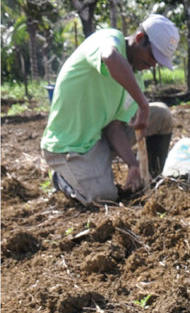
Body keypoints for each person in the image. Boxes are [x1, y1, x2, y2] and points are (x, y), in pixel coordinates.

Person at [41, 13, 179, 206]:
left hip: (100, 137)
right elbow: (110, 56)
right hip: (70, 145)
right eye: (153, 56)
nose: (154, 64)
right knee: (102, 198)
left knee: (162, 115)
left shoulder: (136, 77)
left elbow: (114, 128)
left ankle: (148, 182)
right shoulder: (107, 39)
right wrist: (143, 104)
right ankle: (62, 178)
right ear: (140, 39)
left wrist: (133, 164)